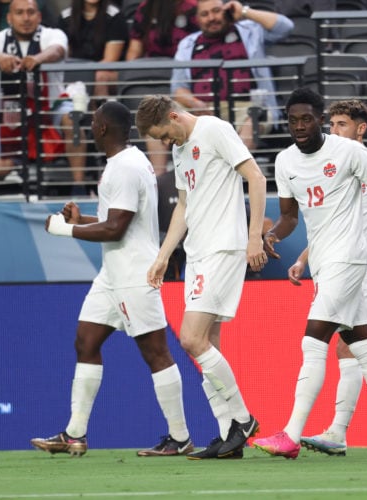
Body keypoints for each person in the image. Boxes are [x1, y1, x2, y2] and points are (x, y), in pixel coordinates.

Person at [253, 88, 367, 459]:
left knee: (313, 341)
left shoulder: (350, 153)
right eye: (293, 120)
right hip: (323, 263)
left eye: (307, 119)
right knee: (365, 348)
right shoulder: (285, 160)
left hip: (350, 260)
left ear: (319, 120)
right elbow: (290, 217)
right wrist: (272, 234)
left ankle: (290, 434)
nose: (300, 126)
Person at [31, 100, 193, 457]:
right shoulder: (127, 163)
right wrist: (83, 218)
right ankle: (74, 434)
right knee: (86, 341)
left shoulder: (125, 168)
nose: (89, 127)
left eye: (92, 122)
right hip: (113, 273)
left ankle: (180, 438)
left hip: (136, 272)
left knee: (156, 353)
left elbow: (117, 229)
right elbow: (117, 219)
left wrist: (65, 229)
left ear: (103, 128)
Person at [135, 95, 268, 460]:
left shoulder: (215, 130)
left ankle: (242, 420)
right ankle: (229, 435)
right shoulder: (181, 149)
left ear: (174, 117)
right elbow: (184, 205)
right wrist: (163, 256)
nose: (165, 143)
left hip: (223, 247)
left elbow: (255, 177)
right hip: (196, 251)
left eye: (164, 134)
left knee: (191, 338)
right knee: (207, 343)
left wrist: (254, 235)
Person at [171, 0, 293, 150]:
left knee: (254, 119)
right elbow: (178, 89)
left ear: (227, 11)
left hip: (247, 106)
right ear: (197, 19)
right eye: (204, 14)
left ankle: (235, 169)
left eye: (216, 11)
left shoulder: (249, 31)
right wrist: (195, 103)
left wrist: (244, 12)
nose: (211, 18)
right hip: (203, 108)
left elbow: (285, 27)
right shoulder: (187, 44)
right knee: (163, 116)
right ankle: (159, 172)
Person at [0, 0, 69, 188]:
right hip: (10, 115)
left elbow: (57, 50)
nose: (26, 18)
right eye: (19, 13)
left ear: (39, 16)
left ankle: (79, 186)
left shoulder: (52, 34)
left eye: (30, 12)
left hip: (51, 109)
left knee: (72, 119)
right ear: (9, 18)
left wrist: (37, 59)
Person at [58, 0, 128, 190]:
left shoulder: (114, 17)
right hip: (74, 83)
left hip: (106, 78)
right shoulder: (65, 17)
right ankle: (80, 182)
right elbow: (63, 59)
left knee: (100, 76)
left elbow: (109, 60)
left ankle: (101, 129)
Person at [126, 0, 199, 175]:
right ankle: (159, 180)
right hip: (153, 74)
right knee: (154, 116)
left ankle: (189, 173)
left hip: (186, 78)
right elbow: (134, 50)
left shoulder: (193, 7)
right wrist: (128, 74)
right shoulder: (146, 7)